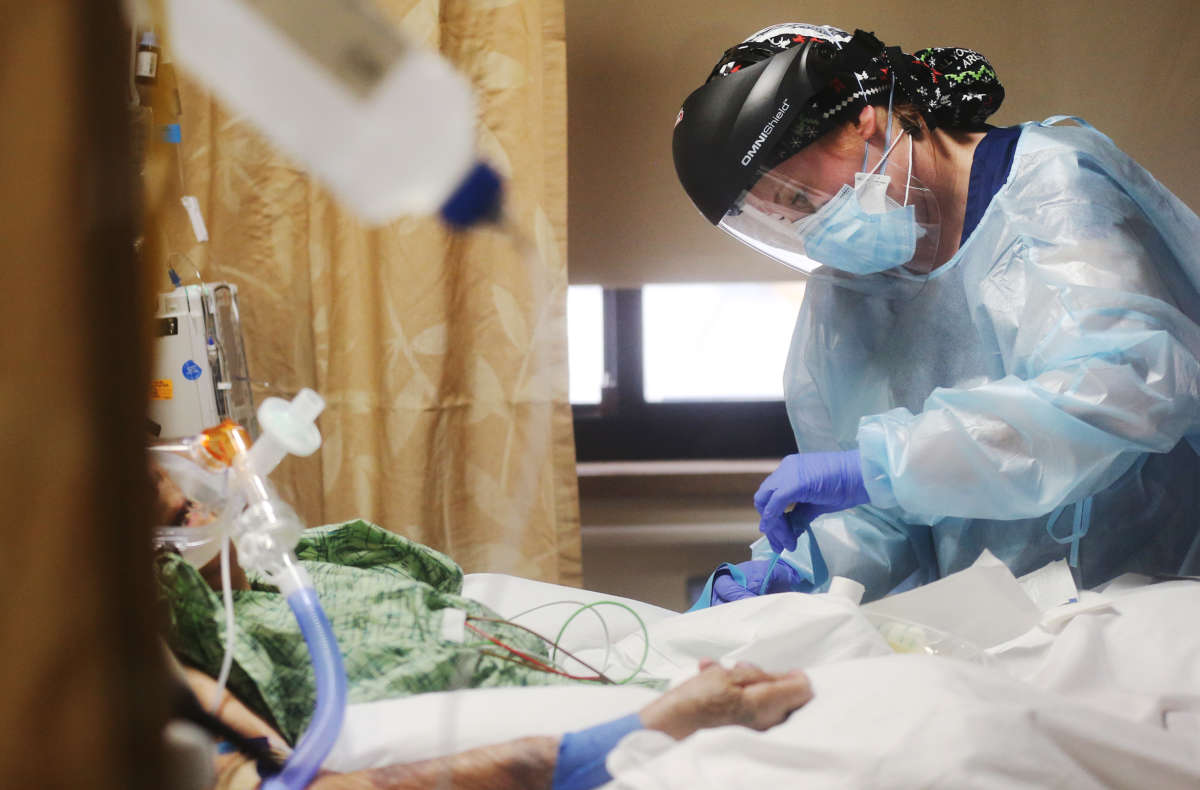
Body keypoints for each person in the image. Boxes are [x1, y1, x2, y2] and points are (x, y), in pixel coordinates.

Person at [671, 23, 1200, 604]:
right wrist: (803, 574)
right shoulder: (851, 293)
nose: (815, 235)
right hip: (998, 626)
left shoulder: (1051, 191)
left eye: (802, 200)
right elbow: (879, 514)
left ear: (860, 118)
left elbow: (1124, 392)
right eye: (787, 222)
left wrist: (882, 465)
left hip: (1154, 600)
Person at [151, 470, 814, 789]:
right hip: (581, 732)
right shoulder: (162, 674)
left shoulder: (305, 558)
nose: (169, 477)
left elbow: (447, 584)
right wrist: (642, 727)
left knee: (824, 630)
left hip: (562, 668)